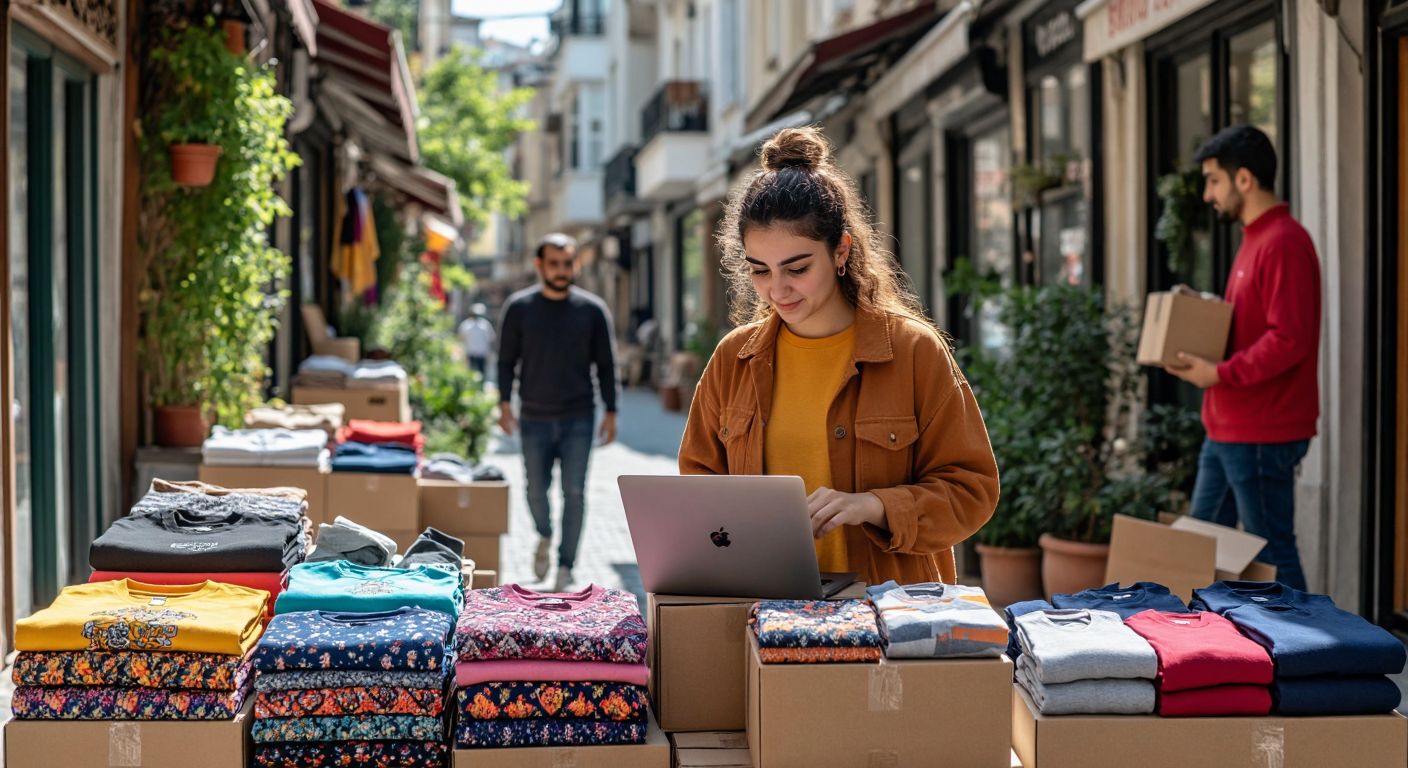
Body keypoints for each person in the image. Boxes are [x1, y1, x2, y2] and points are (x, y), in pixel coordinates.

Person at [677, 127, 999, 586]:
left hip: (887, 610)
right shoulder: (734, 359)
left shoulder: (913, 350)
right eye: (760, 271)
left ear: (841, 251)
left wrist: (875, 505)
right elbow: (698, 486)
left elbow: (972, 491)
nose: (777, 290)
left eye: (797, 268)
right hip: (764, 605)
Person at [1168, 124, 1321, 591]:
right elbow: (1257, 322)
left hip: (1260, 431)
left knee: (1274, 554)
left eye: (1213, 180)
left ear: (1244, 179)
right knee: (1197, 552)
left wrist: (1219, 373)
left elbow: (1289, 338)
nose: (1207, 194)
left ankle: (1309, 637)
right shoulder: (1255, 238)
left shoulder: (1283, 242)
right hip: (1229, 427)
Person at [497, 233, 619, 591]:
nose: (561, 270)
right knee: (535, 491)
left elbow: (606, 365)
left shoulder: (593, 310)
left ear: (575, 265)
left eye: (567, 264)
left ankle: (566, 565)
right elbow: (505, 362)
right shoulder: (519, 308)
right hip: (533, 417)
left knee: (574, 493)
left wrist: (611, 411)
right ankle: (545, 534)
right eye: (554, 264)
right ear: (540, 265)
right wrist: (504, 404)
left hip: (579, 417)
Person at [458, 303, 496, 378]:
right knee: (471, 373)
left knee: (480, 373)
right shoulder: (466, 324)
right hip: (471, 353)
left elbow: (491, 338)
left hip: (481, 353)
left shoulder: (485, 324)